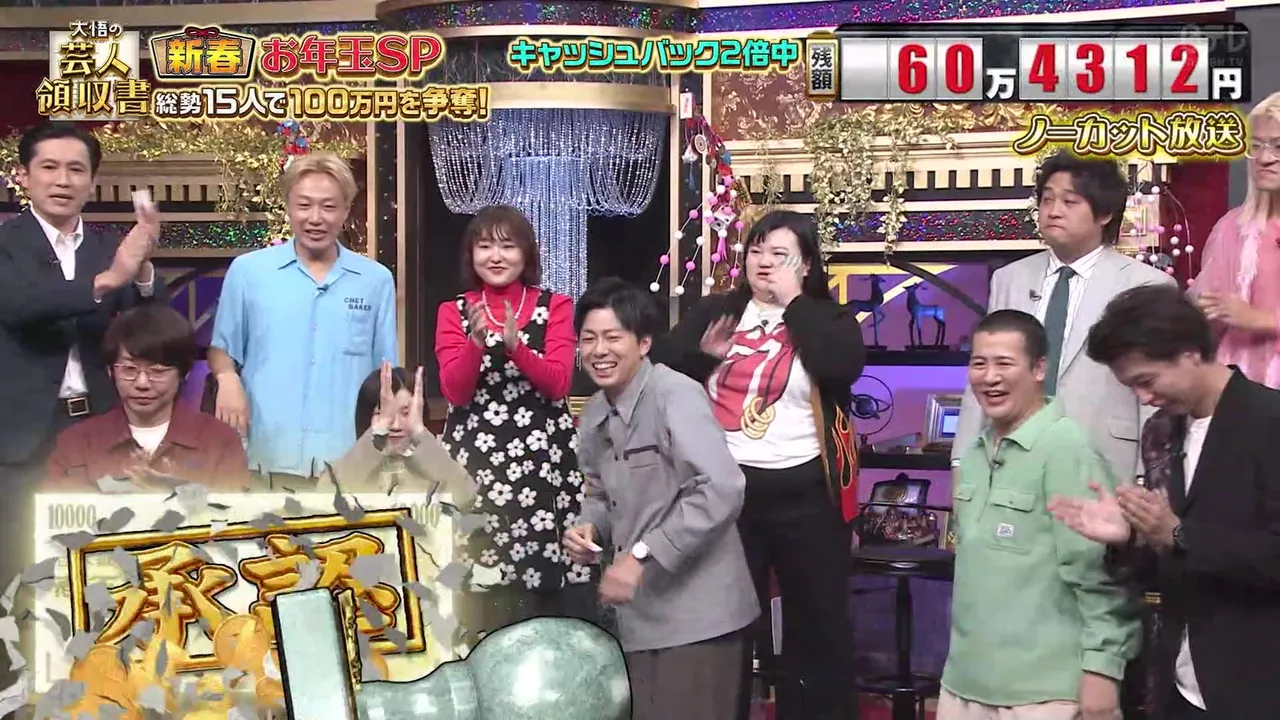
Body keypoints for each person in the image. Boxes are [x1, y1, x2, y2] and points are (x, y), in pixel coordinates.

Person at [651, 210, 862, 720]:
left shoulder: (827, 317)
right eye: (756, 251)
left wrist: (794, 302)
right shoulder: (718, 311)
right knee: (723, 624)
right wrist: (704, 359)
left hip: (808, 494)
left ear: (806, 265)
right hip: (726, 495)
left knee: (818, 626)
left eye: (780, 255)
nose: (764, 263)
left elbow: (840, 367)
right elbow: (661, 376)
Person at [1049, 284, 1280, 720]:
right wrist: (1128, 539)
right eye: (1131, 387)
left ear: (1190, 353)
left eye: (1147, 381)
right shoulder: (1160, 431)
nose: (1143, 398)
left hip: (1258, 683)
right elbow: (1167, 565)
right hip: (1177, 682)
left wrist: (1178, 533)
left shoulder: (1269, 422)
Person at [564, 277, 758, 720]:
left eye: (613, 337)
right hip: (639, 619)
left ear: (644, 342)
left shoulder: (676, 395)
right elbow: (599, 492)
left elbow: (721, 488)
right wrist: (588, 527)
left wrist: (640, 556)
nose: (599, 350)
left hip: (698, 619)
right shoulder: (593, 413)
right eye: (589, 339)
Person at [943, 309, 1139, 720]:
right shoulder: (975, 453)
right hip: (963, 684)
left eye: (1004, 363)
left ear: (1038, 369)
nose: (989, 377)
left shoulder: (1066, 449)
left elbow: (1100, 579)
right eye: (979, 364)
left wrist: (1102, 671)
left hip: (1045, 694)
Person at [0, 122, 162, 591]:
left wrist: (143, 271)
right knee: (20, 572)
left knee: (103, 570)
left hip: (100, 427)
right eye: (49, 167)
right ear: (23, 176)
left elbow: (154, 330)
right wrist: (109, 280)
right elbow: (22, 307)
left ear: (92, 182)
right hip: (23, 438)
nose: (62, 180)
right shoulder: (6, 246)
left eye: (76, 170)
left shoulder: (110, 249)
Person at [953, 152, 1175, 483]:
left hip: (1104, 463)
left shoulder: (1145, 285)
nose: (1054, 211)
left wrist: (1149, 478)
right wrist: (961, 461)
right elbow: (985, 371)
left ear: (1104, 214)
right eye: (1047, 200)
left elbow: (1156, 391)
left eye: (1069, 202)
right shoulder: (1009, 279)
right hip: (1011, 460)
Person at [433, 205, 592, 639]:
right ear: (471, 255)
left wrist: (515, 346)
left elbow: (558, 383)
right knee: (476, 586)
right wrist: (476, 344)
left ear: (526, 253)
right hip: (475, 463)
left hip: (543, 463)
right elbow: (455, 392)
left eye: (508, 245)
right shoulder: (453, 311)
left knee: (543, 589)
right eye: (485, 246)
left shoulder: (555, 305)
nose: (496, 256)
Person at [208, 152, 397, 486]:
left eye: (328, 206)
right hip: (267, 456)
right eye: (304, 205)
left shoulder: (375, 280)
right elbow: (223, 347)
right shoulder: (249, 272)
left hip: (348, 461)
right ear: (288, 207)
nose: (315, 218)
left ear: (346, 210)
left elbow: (385, 374)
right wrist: (226, 378)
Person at [45, 304, 249, 489]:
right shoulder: (76, 443)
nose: (142, 383)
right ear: (110, 371)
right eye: (129, 369)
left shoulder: (220, 442)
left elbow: (233, 516)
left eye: (157, 371)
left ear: (184, 373)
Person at [1189, 92, 1280, 387]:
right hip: (1240, 390)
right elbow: (1208, 312)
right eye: (1256, 146)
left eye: (1278, 146)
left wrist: (1263, 320)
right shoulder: (1231, 228)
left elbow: (1248, 317)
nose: (1264, 158)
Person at [321, 361, 475, 507]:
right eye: (383, 414)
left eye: (406, 413)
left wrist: (420, 434)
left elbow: (466, 498)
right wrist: (378, 433)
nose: (395, 425)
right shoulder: (350, 466)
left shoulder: (434, 463)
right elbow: (324, 495)